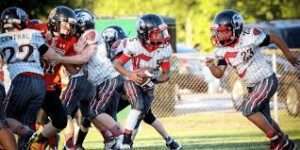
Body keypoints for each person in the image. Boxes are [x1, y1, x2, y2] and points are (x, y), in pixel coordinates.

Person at [206, 9, 298, 150]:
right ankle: (285, 143)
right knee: (265, 119)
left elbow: (275, 38)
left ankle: (278, 141)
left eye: (224, 31)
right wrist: (211, 66)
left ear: (236, 28)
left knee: (248, 109)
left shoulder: (249, 36)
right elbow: (219, 73)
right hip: (252, 86)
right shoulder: (221, 50)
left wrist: (289, 56)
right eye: (218, 31)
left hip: (265, 79)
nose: (220, 34)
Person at [0, 6, 70, 150]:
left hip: (20, 80)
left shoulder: (1, 39)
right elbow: (51, 57)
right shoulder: (33, 34)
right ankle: (34, 138)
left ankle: (32, 134)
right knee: (26, 121)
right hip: (40, 83)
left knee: (4, 120)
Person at [102, 25, 182, 150]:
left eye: (160, 33)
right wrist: (131, 75)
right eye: (156, 33)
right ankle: (121, 141)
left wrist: (153, 77)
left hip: (144, 84)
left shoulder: (163, 48)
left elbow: (166, 75)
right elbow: (117, 64)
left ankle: (168, 141)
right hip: (126, 83)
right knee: (132, 111)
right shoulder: (131, 45)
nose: (161, 36)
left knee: (145, 114)